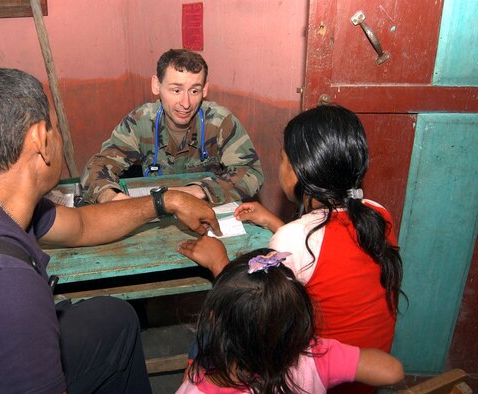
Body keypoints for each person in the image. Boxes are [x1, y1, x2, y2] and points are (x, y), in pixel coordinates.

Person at [0, 67, 221, 394]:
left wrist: (166, 201)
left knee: (112, 317)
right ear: (41, 139)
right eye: (55, 128)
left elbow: (83, 224)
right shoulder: (0, 287)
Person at [179, 104, 405, 394]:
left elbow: (254, 308)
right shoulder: (378, 214)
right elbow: (328, 253)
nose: (280, 166)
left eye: (284, 159)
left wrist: (217, 261)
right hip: (362, 372)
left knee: (211, 330)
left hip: (315, 381)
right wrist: (274, 222)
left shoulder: (293, 239)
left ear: (299, 172)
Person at [176, 249, 404, 394]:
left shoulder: (196, 387)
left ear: (213, 319)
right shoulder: (315, 357)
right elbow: (392, 371)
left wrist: (193, 371)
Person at [82, 48, 264, 204]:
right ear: (156, 85)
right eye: (176, 90)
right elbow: (99, 165)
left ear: (205, 89)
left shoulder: (219, 121)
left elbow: (251, 172)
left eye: (194, 91)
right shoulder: (140, 122)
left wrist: (199, 191)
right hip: (156, 211)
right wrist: (112, 198)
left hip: (204, 209)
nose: (185, 103)